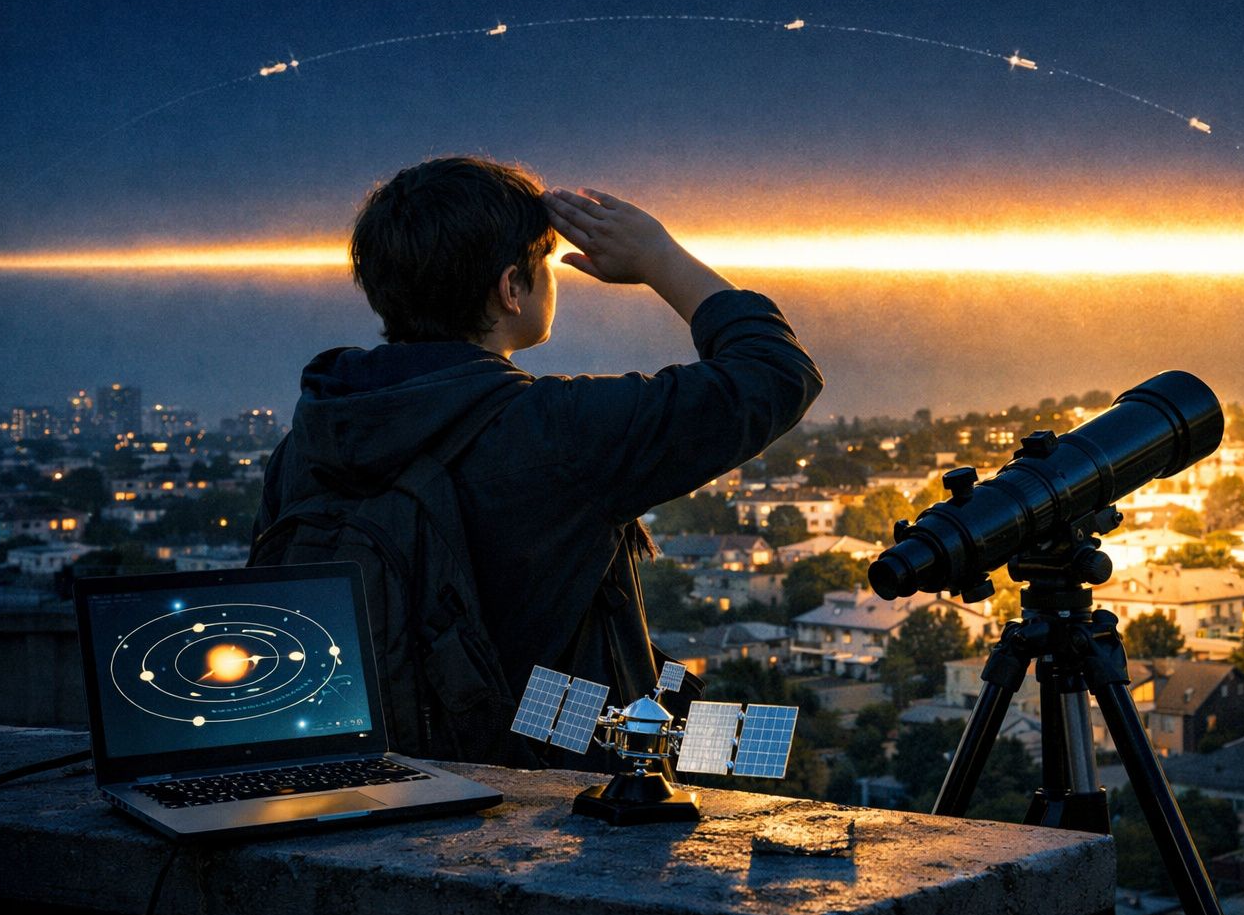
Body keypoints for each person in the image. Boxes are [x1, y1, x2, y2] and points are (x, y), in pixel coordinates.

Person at [252, 156, 822, 765]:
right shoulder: (556, 431)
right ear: (510, 288)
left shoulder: (312, 438)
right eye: (545, 265)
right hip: (540, 795)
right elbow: (774, 372)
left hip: (371, 781)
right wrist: (659, 257)